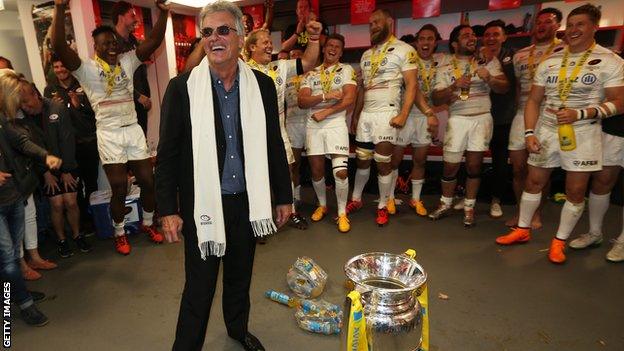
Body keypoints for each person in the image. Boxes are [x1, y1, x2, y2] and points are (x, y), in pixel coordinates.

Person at [155, 2, 292, 350]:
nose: (214, 38)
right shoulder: (182, 88)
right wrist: (168, 208)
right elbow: (168, 155)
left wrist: (283, 196)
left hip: (248, 201)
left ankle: (237, 330)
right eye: (207, 32)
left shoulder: (261, 85)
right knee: (199, 288)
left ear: (241, 36)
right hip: (203, 204)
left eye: (223, 30)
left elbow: (273, 143)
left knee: (239, 278)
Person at [496, 4, 624, 264]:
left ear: (594, 28)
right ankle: (522, 229)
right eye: (572, 24)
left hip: (584, 131)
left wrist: (583, 113)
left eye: (581, 25)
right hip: (547, 128)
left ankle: (559, 241)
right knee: (534, 182)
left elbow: (619, 102)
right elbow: (533, 101)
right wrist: (530, 132)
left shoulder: (610, 60)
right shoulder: (551, 60)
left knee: (575, 191)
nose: (574, 30)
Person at [50, 0, 168, 255]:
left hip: (132, 128)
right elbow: (58, 45)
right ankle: (119, 232)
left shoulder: (127, 61)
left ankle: (148, 223)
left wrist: (165, 11)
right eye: (106, 43)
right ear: (96, 47)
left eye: (114, 42)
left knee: (149, 181)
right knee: (119, 187)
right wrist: (59, 8)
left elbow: (154, 42)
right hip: (109, 133)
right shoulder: (85, 69)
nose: (112, 47)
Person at [244, 21, 322, 229]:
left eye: (271, 42)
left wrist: (314, 39)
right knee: (255, 177)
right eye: (265, 42)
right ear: (252, 47)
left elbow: (307, 63)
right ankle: (259, 220)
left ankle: (291, 212)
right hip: (251, 134)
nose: (270, 46)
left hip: (277, 131)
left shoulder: (279, 67)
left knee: (285, 171)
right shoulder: (241, 69)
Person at [430, 24, 509, 227]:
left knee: (474, 165)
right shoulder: (445, 67)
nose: (472, 38)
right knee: (450, 166)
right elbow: (437, 99)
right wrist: (454, 86)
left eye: (473, 35)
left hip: (482, 117)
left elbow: (504, 87)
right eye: (466, 36)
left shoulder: (487, 61)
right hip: (458, 119)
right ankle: (445, 203)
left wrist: (489, 78)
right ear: (455, 44)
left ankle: (469, 207)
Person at [0, 68, 62, 326]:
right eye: (15, 96)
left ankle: (17, 293)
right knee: (8, 259)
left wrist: (44, 155)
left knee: (13, 256)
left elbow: (22, 142)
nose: (19, 102)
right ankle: (24, 305)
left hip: (12, 196)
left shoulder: (3, 120)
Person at [347, 9, 419, 227]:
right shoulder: (367, 55)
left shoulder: (405, 50)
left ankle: (382, 205)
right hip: (367, 113)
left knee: (383, 162)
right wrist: (356, 115)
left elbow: (412, 85)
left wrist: (404, 113)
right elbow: (362, 89)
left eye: (377, 22)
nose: (373, 26)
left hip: (387, 113)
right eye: (370, 24)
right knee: (361, 159)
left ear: (389, 22)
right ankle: (356, 199)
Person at [20, 79, 91, 258]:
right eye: (21, 104)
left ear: (36, 95)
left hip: (67, 164)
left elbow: (67, 140)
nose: (25, 107)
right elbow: (30, 148)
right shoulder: (22, 117)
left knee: (71, 202)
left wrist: (66, 169)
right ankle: (61, 240)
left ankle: (77, 235)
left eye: (26, 102)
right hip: (44, 168)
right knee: (57, 204)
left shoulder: (57, 108)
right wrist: (45, 173)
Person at [507, 7, 563, 229]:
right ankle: (522, 213)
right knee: (519, 168)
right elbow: (518, 89)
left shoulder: (564, 52)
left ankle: (537, 214)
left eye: (548, 22)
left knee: (541, 169)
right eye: (538, 22)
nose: (542, 26)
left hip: (549, 116)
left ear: (558, 25)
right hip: (522, 114)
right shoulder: (521, 55)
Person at [297, 33, 356, 232]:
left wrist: (326, 111)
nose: (333, 49)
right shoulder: (310, 74)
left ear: (341, 51)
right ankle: (322, 204)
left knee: (340, 172)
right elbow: (302, 101)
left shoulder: (347, 70)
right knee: (316, 171)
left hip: (336, 123)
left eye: (337, 47)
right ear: (323, 48)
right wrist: (326, 95)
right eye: (330, 45)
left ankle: (341, 213)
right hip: (313, 125)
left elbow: (349, 99)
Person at [391, 25, 445, 217]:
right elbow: (413, 91)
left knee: (420, 160)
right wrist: (430, 112)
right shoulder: (408, 61)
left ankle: (415, 198)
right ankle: (389, 197)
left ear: (435, 42)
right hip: (405, 114)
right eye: (422, 39)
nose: (425, 42)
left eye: (430, 39)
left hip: (423, 118)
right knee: (395, 159)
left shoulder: (440, 63)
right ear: (416, 42)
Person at [44, 55, 99, 234]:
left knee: (91, 184)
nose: (60, 70)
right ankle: (81, 221)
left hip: (87, 143)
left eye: (63, 65)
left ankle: (94, 219)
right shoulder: (49, 91)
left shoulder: (83, 84)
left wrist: (78, 106)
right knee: (74, 187)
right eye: (56, 67)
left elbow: (96, 113)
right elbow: (47, 120)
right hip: (67, 150)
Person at [482, 20, 517, 219]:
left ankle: (496, 200)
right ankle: (470, 197)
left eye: (496, 34)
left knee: (500, 160)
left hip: (502, 116)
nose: (491, 38)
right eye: (487, 34)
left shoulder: (511, 56)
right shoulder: (478, 56)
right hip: (478, 116)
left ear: (504, 37)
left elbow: (512, 85)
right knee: (474, 158)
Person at [111, 1, 152, 135]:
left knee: (142, 142)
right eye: (132, 16)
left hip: (141, 105)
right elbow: (111, 77)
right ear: (121, 17)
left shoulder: (134, 41)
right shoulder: (110, 44)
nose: (137, 19)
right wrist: (138, 96)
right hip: (124, 107)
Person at [283, 47, 308, 228]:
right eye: (292, 56)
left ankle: (317, 203)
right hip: (291, 123)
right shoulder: (283, 78)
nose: (295, 58)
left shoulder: (313, 74)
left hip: (313, 122)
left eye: (298, 55)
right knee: (294, 164)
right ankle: (295, 199)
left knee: (318, 166)